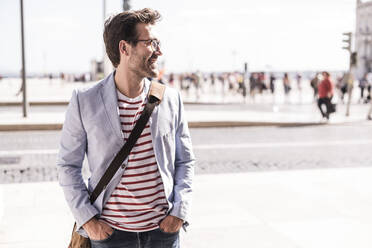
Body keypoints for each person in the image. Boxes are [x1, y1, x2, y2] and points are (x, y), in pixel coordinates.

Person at [57, 8, 195, 248]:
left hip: (164, 235)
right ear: (124, 48)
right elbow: (68, 166)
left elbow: (185, 161)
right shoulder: (85, 100)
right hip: (111, 238)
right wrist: (88, 221)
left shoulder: (170, 99)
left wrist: (179, 212)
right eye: (150, 43)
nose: (159, 51)